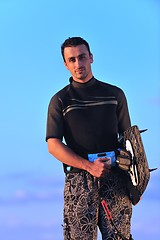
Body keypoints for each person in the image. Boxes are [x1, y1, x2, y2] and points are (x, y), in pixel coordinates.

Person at [46, 37, 133, 240]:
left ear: (91, 58)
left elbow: (130, 140)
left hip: (116, 179)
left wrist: (135, 184)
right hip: (79, 182)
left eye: (82, 57)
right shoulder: (60, 100)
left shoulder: (114, 94)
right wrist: (88, 166)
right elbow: (53, 145)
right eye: (72, 60)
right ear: (65, 64)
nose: (78, 64)